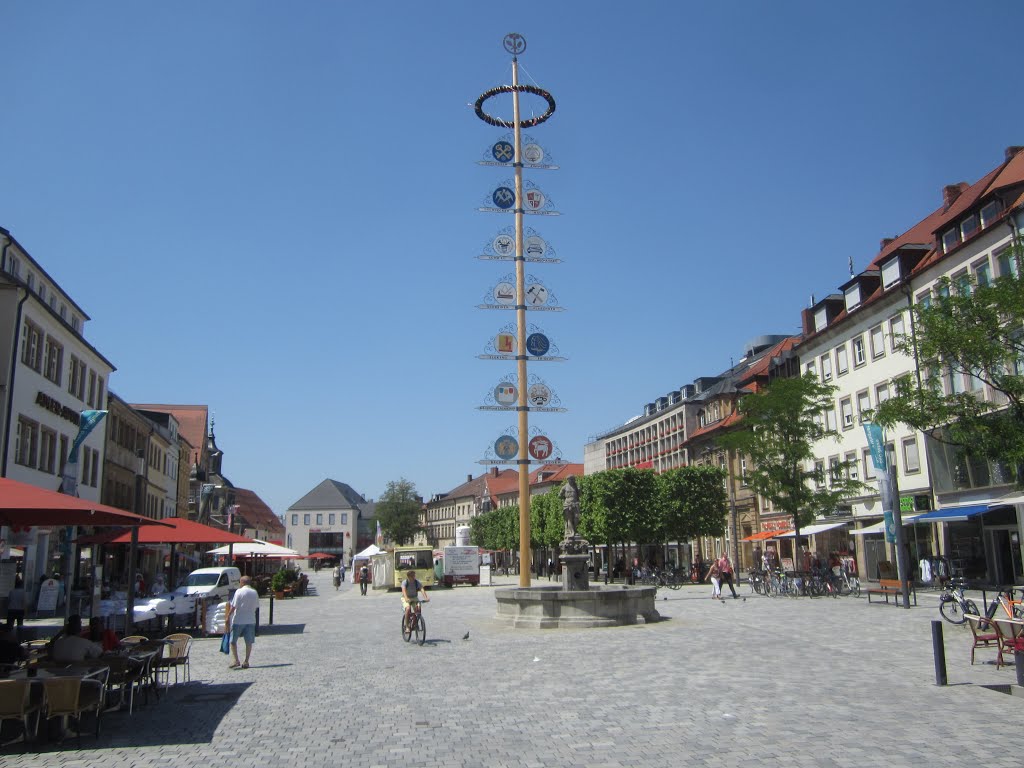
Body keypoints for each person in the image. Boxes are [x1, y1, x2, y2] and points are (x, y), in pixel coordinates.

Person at [226, 575, 259, 670]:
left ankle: (236, 660)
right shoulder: (254, 592)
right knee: (248, 642)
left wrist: (228, 616)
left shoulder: (239, 591)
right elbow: (256, 606)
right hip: (251, 620)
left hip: (239, 620)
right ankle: (246, 661)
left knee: (233, 641)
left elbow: (234, 606)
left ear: (242, 582)